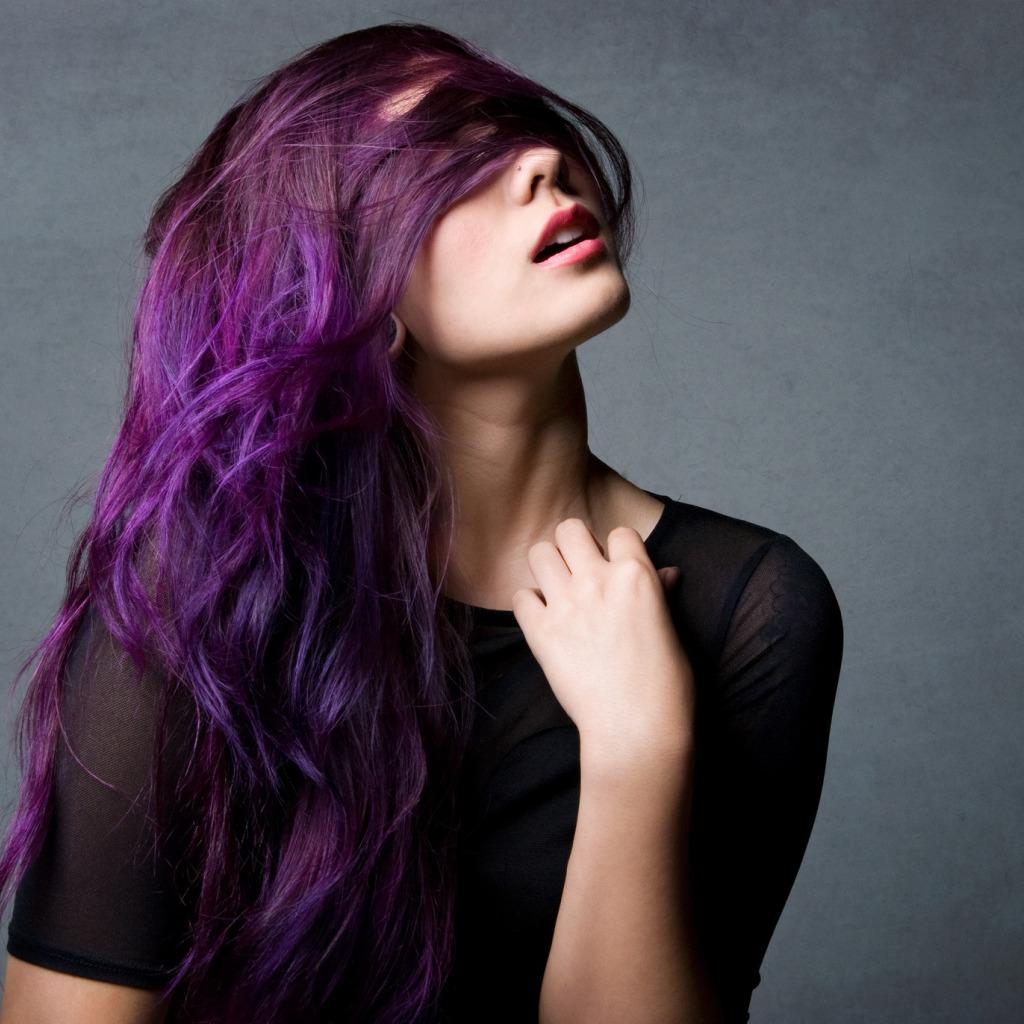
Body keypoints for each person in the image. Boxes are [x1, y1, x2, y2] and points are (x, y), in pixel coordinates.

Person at [0, 21, 844, 1024]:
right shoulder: (202, 606)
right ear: (353, 291)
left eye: (514, 126)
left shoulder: (749, 605)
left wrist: (636, 747)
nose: (537, 161)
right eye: (445, 170)